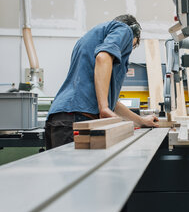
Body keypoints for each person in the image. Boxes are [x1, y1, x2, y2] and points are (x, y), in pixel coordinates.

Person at [45, 14, 159, 149]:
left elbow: (113, 104)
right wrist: (104, 108)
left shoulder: (86, 41)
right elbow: (103, 57)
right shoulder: (125, 30)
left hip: (61, 119)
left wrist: (141, 121)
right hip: (77, 119)